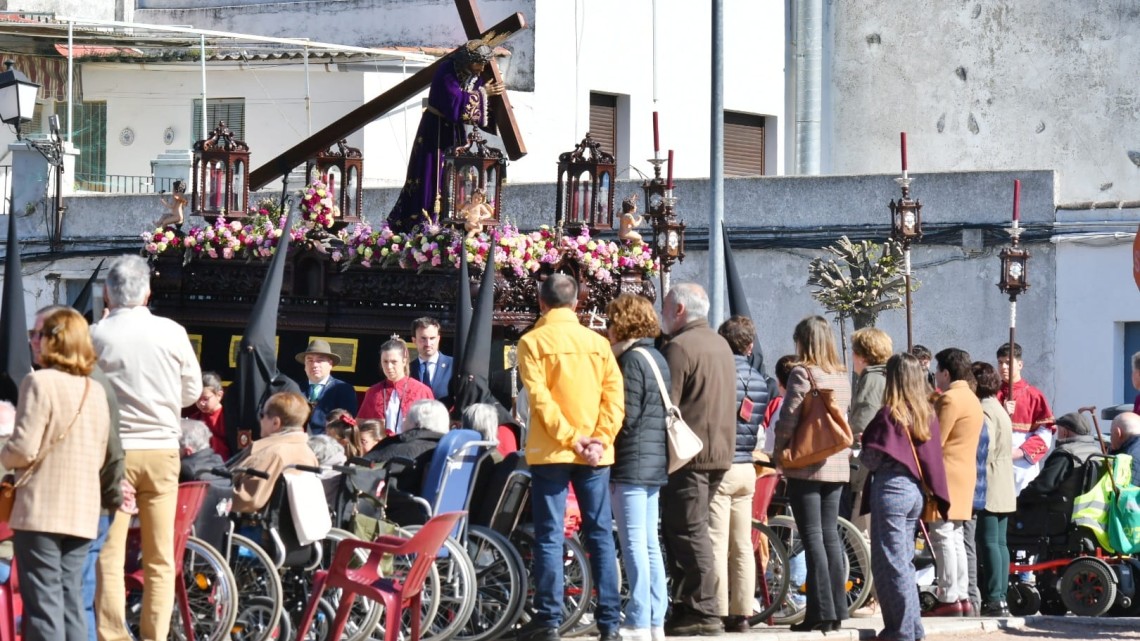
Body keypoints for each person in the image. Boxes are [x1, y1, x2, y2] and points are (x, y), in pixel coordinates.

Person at [93, 254, 202, 641]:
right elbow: (192, 391)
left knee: (109, 550)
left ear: (108, 293)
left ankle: (111, 635)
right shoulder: (172, 332)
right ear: (148, 292)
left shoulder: (96, 335)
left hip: (113, 453)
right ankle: (153, 635)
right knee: (160, 555)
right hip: (161, 449)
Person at [516, 273, 624, 641]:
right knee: (599, 535)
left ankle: (549, 619)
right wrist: (598, 438)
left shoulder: (532, 342)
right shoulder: (598, 343)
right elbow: (614, 399)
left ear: (541, 303)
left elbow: (539, 400)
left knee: (549, 535)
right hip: (595, 452)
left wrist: (570, 438)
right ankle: (609, 622)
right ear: (577, 303)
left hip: (552, 450)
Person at [1, 307, 112, 641]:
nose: (35, 341)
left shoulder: (39, 381)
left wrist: (4, 452)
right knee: (72, 603)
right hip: (84, 511)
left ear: (55, 341)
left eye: (40, 335)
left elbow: (23, 449)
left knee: (43, 606)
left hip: (42, 512)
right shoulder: (95, 390)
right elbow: (103, 450)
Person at [32, 304, 125, 641]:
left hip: (67, 507)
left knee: (63, 597)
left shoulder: (47, 381)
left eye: (42, 333)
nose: (34, 341)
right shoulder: (94, 380)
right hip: (91, 504)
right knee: (75, 596)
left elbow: (112, 446)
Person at [659, 283, 736, 636]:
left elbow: (667, 404)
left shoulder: (679, 346)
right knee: (696, 529)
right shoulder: (720, 343)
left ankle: (702, 609)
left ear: (678, 311)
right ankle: (695, 605)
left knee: (688, 532)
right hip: (718, 450)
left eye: (665, 307)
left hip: (690, 455)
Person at [859, 353, 951, 641]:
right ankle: (912, 629)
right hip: (914, 493)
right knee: (904, 562)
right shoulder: (926, 413)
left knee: (889, 563)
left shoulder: (890, 413)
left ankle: (899, 631)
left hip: (891, 490)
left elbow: (871, 458)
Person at [772, 315, 852, 633]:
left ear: (803, 341)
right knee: (830, 535)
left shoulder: (802, 373)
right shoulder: (841, 376)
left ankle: (819, 611)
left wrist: (779, 452)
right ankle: (835, 610)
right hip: (837, 463)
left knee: (813, 537)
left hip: (806, 464)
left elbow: (789, 419)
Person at [387, 39, 505, 232]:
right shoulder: (447, 71)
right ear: (467, 60)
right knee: (431, 176)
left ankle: (457, 221)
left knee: (457, 176)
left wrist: (493, 100)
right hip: (436, 131)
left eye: (484, 63)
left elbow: (479, 100)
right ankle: (427, 226)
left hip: (456, 132)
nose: (481, 68)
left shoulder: (475, 73)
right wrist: (484, 93)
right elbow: (453, 104)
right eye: (478, 63)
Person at [605, 293, 669, 641]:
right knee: (648, 544)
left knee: (633, 544)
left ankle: (639, 619)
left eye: (612, 320)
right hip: (654, 462)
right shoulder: (657, 357)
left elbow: (624, 417)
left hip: (630, 462)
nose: (608, 327)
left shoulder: (630, 361)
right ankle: (656, 618)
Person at [712, 315, 770, 632]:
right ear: (749, 345)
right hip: (747, 465)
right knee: (743, 544)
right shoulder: (760, 381)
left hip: (721, 464)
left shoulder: (718, 373)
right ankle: (743, 613)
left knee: (718, 543)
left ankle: (720, 610)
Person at [927, 348, 984, 617]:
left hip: (946, 474)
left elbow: (935, 442)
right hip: (964, 474)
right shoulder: (972, 398)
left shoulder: (949, 398)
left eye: (937, 371)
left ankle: (949, 596)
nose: (936, 376)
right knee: (957, 536)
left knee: (943, 536)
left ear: (946, 373)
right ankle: (960, 595)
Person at [970, 361, 1015, 618]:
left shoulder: (984, 410)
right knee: (999, 543)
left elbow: (982, 449)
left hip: (990, 481)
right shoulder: (997, 408)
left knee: (989, 542)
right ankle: (1000, 596)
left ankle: (995, 597)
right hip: (1003, 480)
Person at [231, 392, 320, 514]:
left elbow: (249, 500)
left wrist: (213, 494)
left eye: (262, 415)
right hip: (288, 529)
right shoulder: (307, 451)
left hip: (252, 528)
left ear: (275, 423)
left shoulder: (273, 454)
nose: (260, 420)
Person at [364, 400, 449, 511]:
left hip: (398, 510)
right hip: (435, 511)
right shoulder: (447, 447)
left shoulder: (397, 445)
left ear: (416, 424)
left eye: (406, 418)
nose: (403, 421)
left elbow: (362, 465)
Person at [995, 342, 1055, 494]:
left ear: (1020, 364)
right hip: (994, 460)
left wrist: (1019, 453)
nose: (1003, 367)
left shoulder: (1034, 396)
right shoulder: (991, 394)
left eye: (1008, 363)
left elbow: (1045, 433)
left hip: (1022, 466)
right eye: (1000, 362)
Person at [848, 327, 892, 527]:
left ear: (862, 356)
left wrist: (849, 438)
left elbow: (863, 422)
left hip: (868, 464)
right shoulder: (886, 376)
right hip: (883, 462)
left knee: (861, 530)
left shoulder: (871, 380)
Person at [358, 336, 434, 434]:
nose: (389, 367)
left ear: (404, 361)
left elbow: (432, 428)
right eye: (385, 362)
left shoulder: (422, 391)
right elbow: (361, 426)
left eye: (394, 362)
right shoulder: (373, 392)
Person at [296, 339, 358, 435]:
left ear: (330, 364)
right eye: (310, 360)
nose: (314, 365)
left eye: (319, 361)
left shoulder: (344, 389)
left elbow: (345, 425)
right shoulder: (296, 389)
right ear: (305, 365)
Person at [409, 317, 455, 407]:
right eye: (423, 338)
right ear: (414, 340)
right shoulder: (407, 369)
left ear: (438, 339)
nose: (428, 343)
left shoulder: (453, 365)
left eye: (432, 338)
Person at [186, 372, 230, 460]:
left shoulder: (229, 417)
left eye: (205, 399)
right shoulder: (194, 420)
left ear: (219, 395)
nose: (201, 403)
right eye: (198, 399)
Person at [1110, 412, 1140, 482]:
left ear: (1118, 433)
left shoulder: (1126, 459)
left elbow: (1126, 492)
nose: (1110, 438)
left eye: (1111, 433)